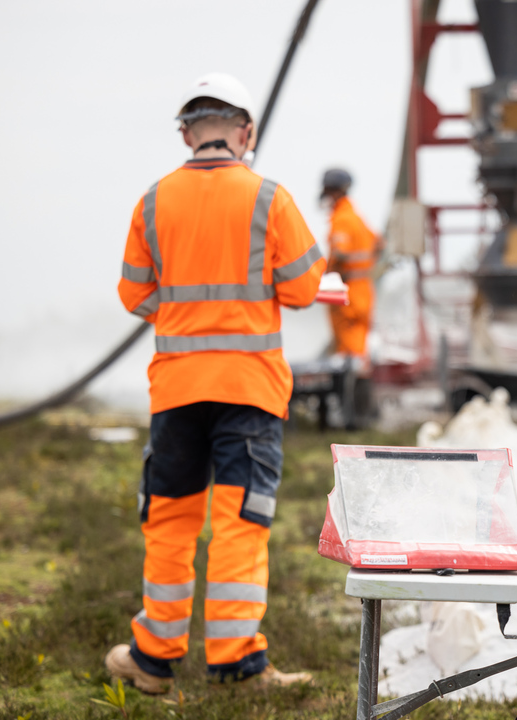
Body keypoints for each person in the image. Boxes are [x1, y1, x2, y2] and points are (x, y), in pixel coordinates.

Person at [109, 72, 325, 695]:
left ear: (187, 134)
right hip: (249, 390)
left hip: (175, 389)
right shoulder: (269, 198)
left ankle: (152, 660)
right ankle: (237, 665)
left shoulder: (153, 201)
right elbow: (306, 286)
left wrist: (184, 312)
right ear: (244, 132)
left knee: (171, 521)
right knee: (237, 522)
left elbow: (133, 293)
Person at [320, 168, 381, 366]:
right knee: (359, 347)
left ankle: (353, 392)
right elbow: (379, 244)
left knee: (349, 352)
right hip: (363, 289)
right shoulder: (357, 217)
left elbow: (339, 253)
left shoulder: (342, 219)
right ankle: (359, 389)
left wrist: (329, 277)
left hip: (345, 292)